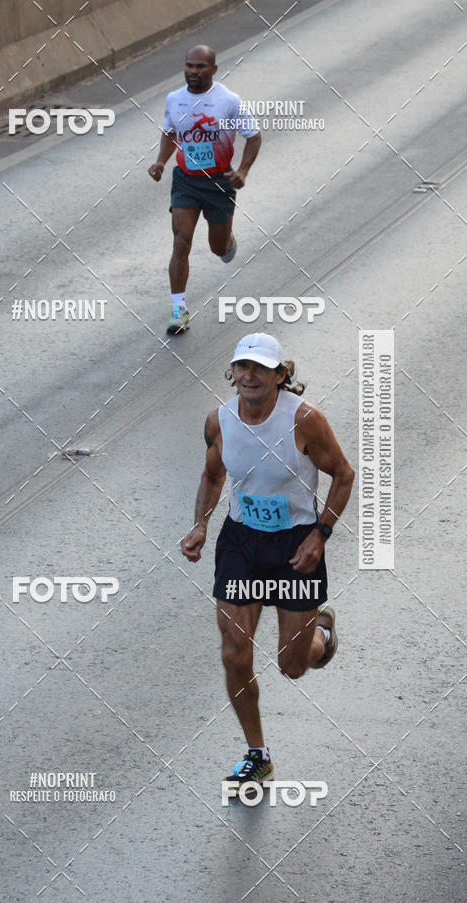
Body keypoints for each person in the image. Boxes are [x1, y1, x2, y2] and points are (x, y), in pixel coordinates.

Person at [181, 333, 355, 790]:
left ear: (282, 374)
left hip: (296, 546)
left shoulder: (304, 421)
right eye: (242, 366)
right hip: (241, 543)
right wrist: (200, 523)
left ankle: (321, 631)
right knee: (235, 653)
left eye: (261, 368)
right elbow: (213, 474)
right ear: (233, 372)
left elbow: (342, 474)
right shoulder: (219, 421)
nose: (250, 375)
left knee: (293, 666)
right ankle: (257, 754)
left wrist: (321, 533)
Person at [148, 45, 262, 335]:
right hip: (186, 179)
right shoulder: (174, 99)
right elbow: (171, 132)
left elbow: (253, 136)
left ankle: (227, 240)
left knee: (218, 248)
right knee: (181, 240)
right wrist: (161, 161)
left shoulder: (228, 101)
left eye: (200, 67)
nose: (193, 72)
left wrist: (243, 171)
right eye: (189, 66)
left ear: (213, 69)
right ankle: (179, 311)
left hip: (219, 182)